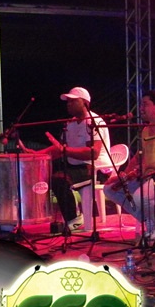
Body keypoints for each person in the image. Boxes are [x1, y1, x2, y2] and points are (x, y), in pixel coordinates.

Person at [21, 86, 111, 231]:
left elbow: (92, 153)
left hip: (96, 168)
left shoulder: (94, 122)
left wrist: (65, 150)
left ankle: (75, 219)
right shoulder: (70, 124)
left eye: (73, 101)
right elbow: (60, 148)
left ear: (85, 103)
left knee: (60, 179)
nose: (69, 104)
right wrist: (37, 154)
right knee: (48, 177)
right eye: (68, 101)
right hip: (76, 166)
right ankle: (66, 216)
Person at [104, 90, 155, 239]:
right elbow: (140, 155)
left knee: (140, 197)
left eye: (145, 104)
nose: (141, 108)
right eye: (141, 105)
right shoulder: (146, 130)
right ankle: (148, 219)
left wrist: (148, 166)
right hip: (146, 176)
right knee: (109, 189)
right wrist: (125, 173)